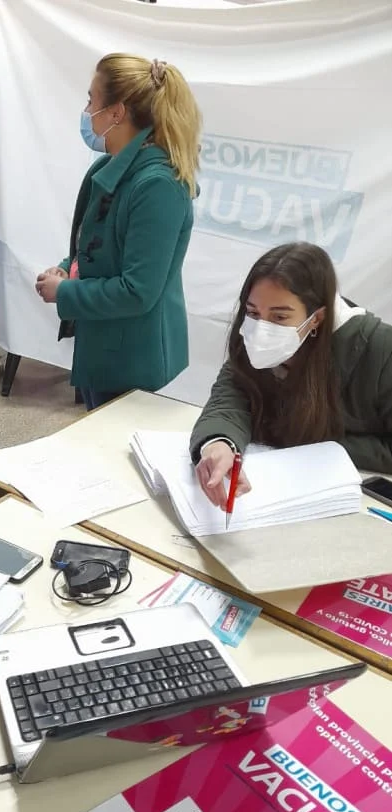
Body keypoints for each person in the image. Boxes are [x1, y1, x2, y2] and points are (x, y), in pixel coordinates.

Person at [35, 54, 202, 411]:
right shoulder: (111, 167)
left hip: (132, 359)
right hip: (104, 343)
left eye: (91, 100)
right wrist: (67, 268)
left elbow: (138, 290)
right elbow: (99, 246)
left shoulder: (157, 185)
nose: (86, 110)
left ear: (116, 112)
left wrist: (65, 292)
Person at [192, 242, 392, 507]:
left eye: (279, 318)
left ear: (317, 318)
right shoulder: (248, 338)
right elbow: (229, 401)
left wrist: (310, 444)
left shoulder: (380, 350)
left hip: (351, 498)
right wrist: (219, 444)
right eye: (253, 312)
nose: (260, 329)